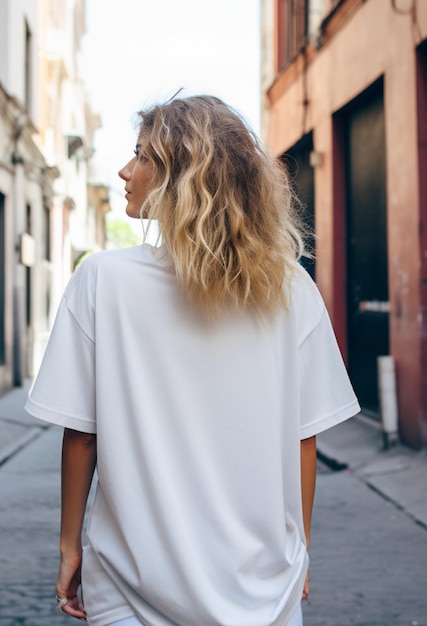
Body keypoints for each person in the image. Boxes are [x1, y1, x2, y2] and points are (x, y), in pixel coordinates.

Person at [25, 95, 360, 626]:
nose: (124, 170)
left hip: (131, 587)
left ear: (181, 174)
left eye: (140, 156)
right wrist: (301, 552)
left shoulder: (101, 280)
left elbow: (83, 434)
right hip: (263, 592)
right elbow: (303, 438)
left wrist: (70, 549)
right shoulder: (290, 286)